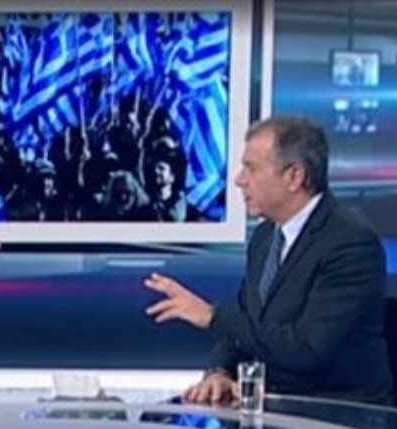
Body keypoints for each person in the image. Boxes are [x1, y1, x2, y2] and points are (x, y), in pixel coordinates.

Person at [144, 115, 392, 406]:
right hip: (272, 409)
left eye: (251, 168)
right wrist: (220, 371)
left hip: (339, 414)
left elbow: (307, 349)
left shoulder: (350, 244)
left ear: (294, 177)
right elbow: (249, 321)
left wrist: (212, 316)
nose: (239, 180)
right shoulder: (265, 237)